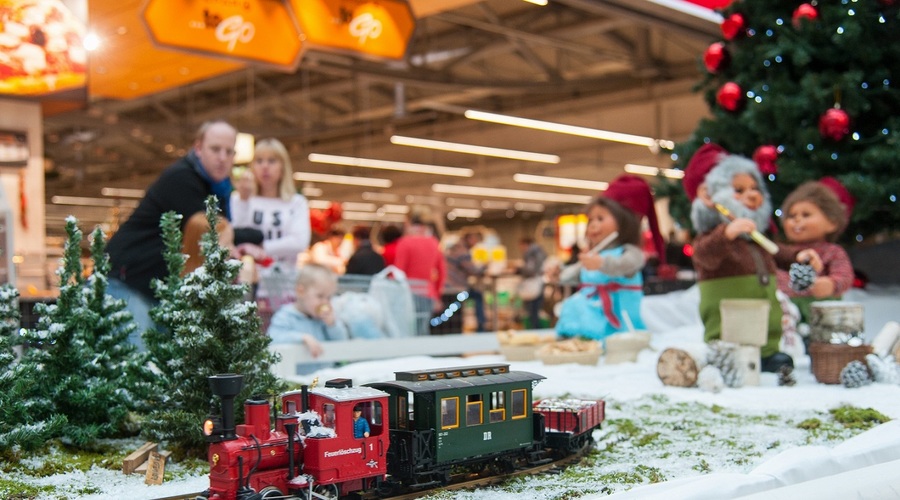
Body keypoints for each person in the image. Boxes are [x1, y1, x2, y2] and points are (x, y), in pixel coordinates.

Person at [107, 120, 260, 350]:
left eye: (229, 152)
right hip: (129, 280)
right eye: (215, 149)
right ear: (198, 148)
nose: (222, 158)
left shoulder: (217, 188)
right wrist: (255, 235)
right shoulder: (182, 179)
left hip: (160, 288)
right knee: (136, 363)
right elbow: (210, 230)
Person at [683, 143, 820, 374]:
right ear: (709, 196)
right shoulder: (712, 237)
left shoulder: (755, 237)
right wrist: (725, 233)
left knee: (768, 320)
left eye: (754, 188)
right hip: (728, 311)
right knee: (728, 327)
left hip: (763, 304)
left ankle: (767, 354)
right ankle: (724, 356)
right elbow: (704, 256)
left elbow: (777, 252)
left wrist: (798, 256)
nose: (752, 195)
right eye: (739, 190)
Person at [555, 175, 665, 341]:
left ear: (624, 221)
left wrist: (602, 264)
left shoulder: (629, 252)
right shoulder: (593, 254)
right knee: (572, 305)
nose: (592, 224)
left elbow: (628, 264)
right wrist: (558, 273)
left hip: (619, 320)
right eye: (590, 219)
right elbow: (574, 274)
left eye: (600, 218)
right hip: (593, 312)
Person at [776, 178, 855, 321]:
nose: (797, 220)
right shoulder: (783, 253)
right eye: (792, 216)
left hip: (822, 312)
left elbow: (844, 276)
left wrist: (831, 284)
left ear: (831, 223)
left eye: (806, 215)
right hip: (785, 311)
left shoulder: (832, 251)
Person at [231, 138, 311, 266]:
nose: (265, 166)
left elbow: (300, 242)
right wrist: (243, 202)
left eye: (272, 161)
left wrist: (260, 247)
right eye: (259, 161)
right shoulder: (238, 198)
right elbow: (233, 235)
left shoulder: (297, 202)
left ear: (283, 167)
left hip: (283, 280)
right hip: (248, 279)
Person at [267, 263, 349, 374]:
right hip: (295, 379)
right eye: (320, 296)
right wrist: (302, 338)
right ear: (301, 292)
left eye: (329, 297)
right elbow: (273, 338)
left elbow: (342, 342)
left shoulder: (324, 320)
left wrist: (332, 324)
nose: (325, 302)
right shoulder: (286, 316)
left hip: (326, 377)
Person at [394, 205, 446, 316]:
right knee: (422, 328)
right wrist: (436, 295)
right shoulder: (434, 242)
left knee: (408, 330)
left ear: (408, 221)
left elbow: (398, 274)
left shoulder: (405, 243)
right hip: (428, 294)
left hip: (408, 295)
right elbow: (442, 273)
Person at [445, 231, 486, 332]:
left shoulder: (453, 248)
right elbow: (473, 270)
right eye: (475, 240)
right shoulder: (463, 252)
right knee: (478, 296)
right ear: (469, 239)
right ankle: (481, 327)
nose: (476, 243)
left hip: (446, 286)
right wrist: (485, 266)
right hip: (456, 288)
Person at [517, 237, 547, 329]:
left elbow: (532, 269)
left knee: (533, 310)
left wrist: (520, 269)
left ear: (526, 244)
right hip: (538, 282)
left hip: (535, 284)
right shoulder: (538, 252)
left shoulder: (532, 254)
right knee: (534, 310)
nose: (521, 248)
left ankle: (536, 328)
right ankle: (535, 327)